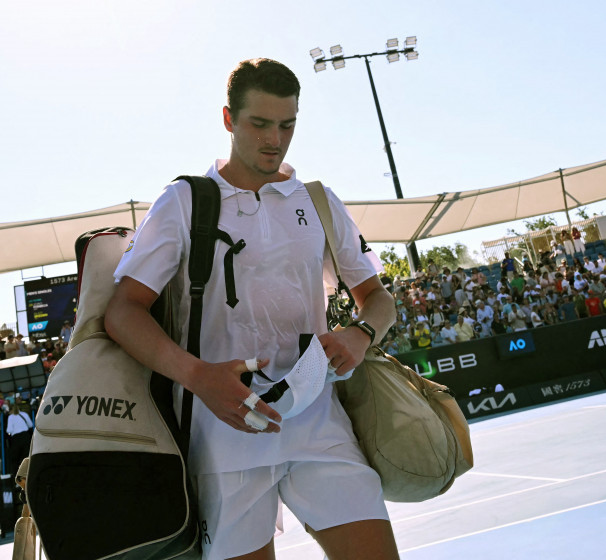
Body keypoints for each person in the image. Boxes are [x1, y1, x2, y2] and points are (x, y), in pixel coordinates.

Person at [106, 58, 399, 560]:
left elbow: (379, 299)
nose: (274, 140)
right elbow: (122, 312)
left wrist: (360, 334)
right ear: (228, 119)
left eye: (287, 126)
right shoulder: (183, 201)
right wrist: (198, 376)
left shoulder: (318, 200)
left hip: (318, 424)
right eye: (259, 124)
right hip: (223, 434)